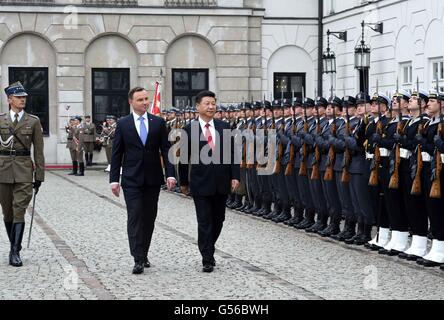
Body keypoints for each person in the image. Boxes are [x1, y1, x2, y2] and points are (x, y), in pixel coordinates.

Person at [110, 87, 176, 275]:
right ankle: (137, 258)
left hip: (153, 178)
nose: (145, 102)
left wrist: (170, 174)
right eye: (140, 100)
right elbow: (117, 154)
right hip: (131, 179)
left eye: (146, 99)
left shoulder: (158, 123)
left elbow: (166, 150)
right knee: (135, 216)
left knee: (149, 218)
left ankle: (144, 252)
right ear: (131, 102)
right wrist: (114, 179)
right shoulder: (123, 124)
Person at [179, 90, 240, 273]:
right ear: (198, 106)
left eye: (213, 103)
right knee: (204, 220)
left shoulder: (224, 126)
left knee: (218, 220)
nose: (211, 106)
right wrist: (184, 182)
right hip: (200, 183)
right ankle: (207, 257)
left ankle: (208, 246)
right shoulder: (189, 129)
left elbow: (232, 154)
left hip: (221, 182)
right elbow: (183, 158)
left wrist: (235, 175)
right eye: (207, 103)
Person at [0, 81, 45, 267]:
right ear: (9, 99)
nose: (23, 100)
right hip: (2, 170)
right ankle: (13, 245)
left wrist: (39, 176)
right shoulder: (1, 120)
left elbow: (39, 151)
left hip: (25, 170)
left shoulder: (33, 121)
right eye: (19, 97)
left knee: (19, 211)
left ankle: (14, 251)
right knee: (8, 212)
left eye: (24, 97)